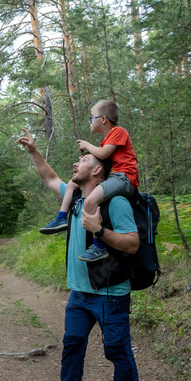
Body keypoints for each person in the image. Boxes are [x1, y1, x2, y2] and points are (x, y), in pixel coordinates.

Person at [17, 128, 141, 381]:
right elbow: (49, 178)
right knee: (72, 346)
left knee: (118, 352)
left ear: (97, 170)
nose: (76, 163)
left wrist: (100, 231)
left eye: (83, 160)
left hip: (110, 293)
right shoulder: (73, 200)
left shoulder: (115, 203)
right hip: (79, 294)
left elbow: (132, 244)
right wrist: (34, 151)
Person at [38, 100, 139, 264]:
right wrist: (85, 159)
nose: (90, 121)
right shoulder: (105, 141)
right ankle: (61, 217)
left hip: (124, 177)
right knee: (72, 184)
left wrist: (87, 145)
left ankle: (98, 245)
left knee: (90, 201)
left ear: (103, 119)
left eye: (92, 118)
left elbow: (103, 154)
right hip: (114, 177)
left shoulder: (118, 131)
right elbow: (101, 159)